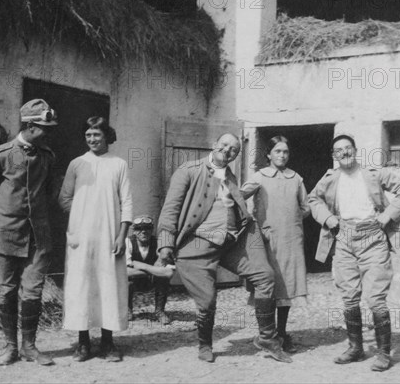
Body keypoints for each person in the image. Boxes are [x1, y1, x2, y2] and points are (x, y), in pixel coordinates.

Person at [156, 133, 292, 364]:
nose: (228, 150)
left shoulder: (230, 176)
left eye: (234, 150)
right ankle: (205, 344)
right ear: (214, 144)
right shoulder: (188, 170)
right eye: (225, 145)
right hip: (196, 243)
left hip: (232, 239)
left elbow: (236, 207)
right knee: (207, 301)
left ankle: (268, 339)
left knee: (265, 276)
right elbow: (170, 209)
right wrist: (165, 244)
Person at [308, 132, 400, 371]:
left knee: (376, 298)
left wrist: (387, 215)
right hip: (344, 238)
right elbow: (312, 200)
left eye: (348, 148)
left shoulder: (373, 174)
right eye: (339, 150)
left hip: (373, 237)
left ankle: (383, 353)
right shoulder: (330, 178)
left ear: (355, 151)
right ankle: (356, 348)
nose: (344, 152)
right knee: (348, 296)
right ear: (334, 156)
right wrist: (327, 218)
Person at [0, 99, 58, 366]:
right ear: (30, 125)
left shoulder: (47, 156)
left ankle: (29, 347)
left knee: (33, 291)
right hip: (3, 232)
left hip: (37, 235)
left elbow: (50, 191)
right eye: (45, 127)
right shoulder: (1, 154)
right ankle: (10, 347)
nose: (49, 132)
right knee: (7, 292)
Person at [58, 116, 132, 363]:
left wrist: (122, 235)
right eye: (88, 135)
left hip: (110, 235)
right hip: (82, 237)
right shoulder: (77, 164)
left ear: (106, 136)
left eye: (96, 135)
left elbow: (127, 202)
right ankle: (83, 344)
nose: (92, 139)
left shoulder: (118, 164)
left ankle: (109, 343)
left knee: (108, 286)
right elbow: (64, 198)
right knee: (82, 286)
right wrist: (81, 217)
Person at [240, 136, 311, 354]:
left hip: (291, 240)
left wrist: (292, 221)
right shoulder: (259, 177)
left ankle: (281, 333)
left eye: (285, 152)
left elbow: (306, 207)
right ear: (269, 154)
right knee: (267, 285)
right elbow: (238, 197)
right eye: (277, 151)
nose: (282, 155)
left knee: (287, 286)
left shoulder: (296, 178)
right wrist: (252, 222)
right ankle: (267, 334)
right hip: (267, 240)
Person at [126, 215, 174, 325]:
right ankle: (127, 309)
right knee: (126, 281)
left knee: (163, 279)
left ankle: (159, 311)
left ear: (152, 230)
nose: (143, 232)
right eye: (139, 229)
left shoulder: (159, 244)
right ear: (134, 231)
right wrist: (154, 269)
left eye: (147, 228)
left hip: (151, 280)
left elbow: (169, 272)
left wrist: (139, 265)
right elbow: (125, 272)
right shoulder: (128, 242)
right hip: (135, 280)